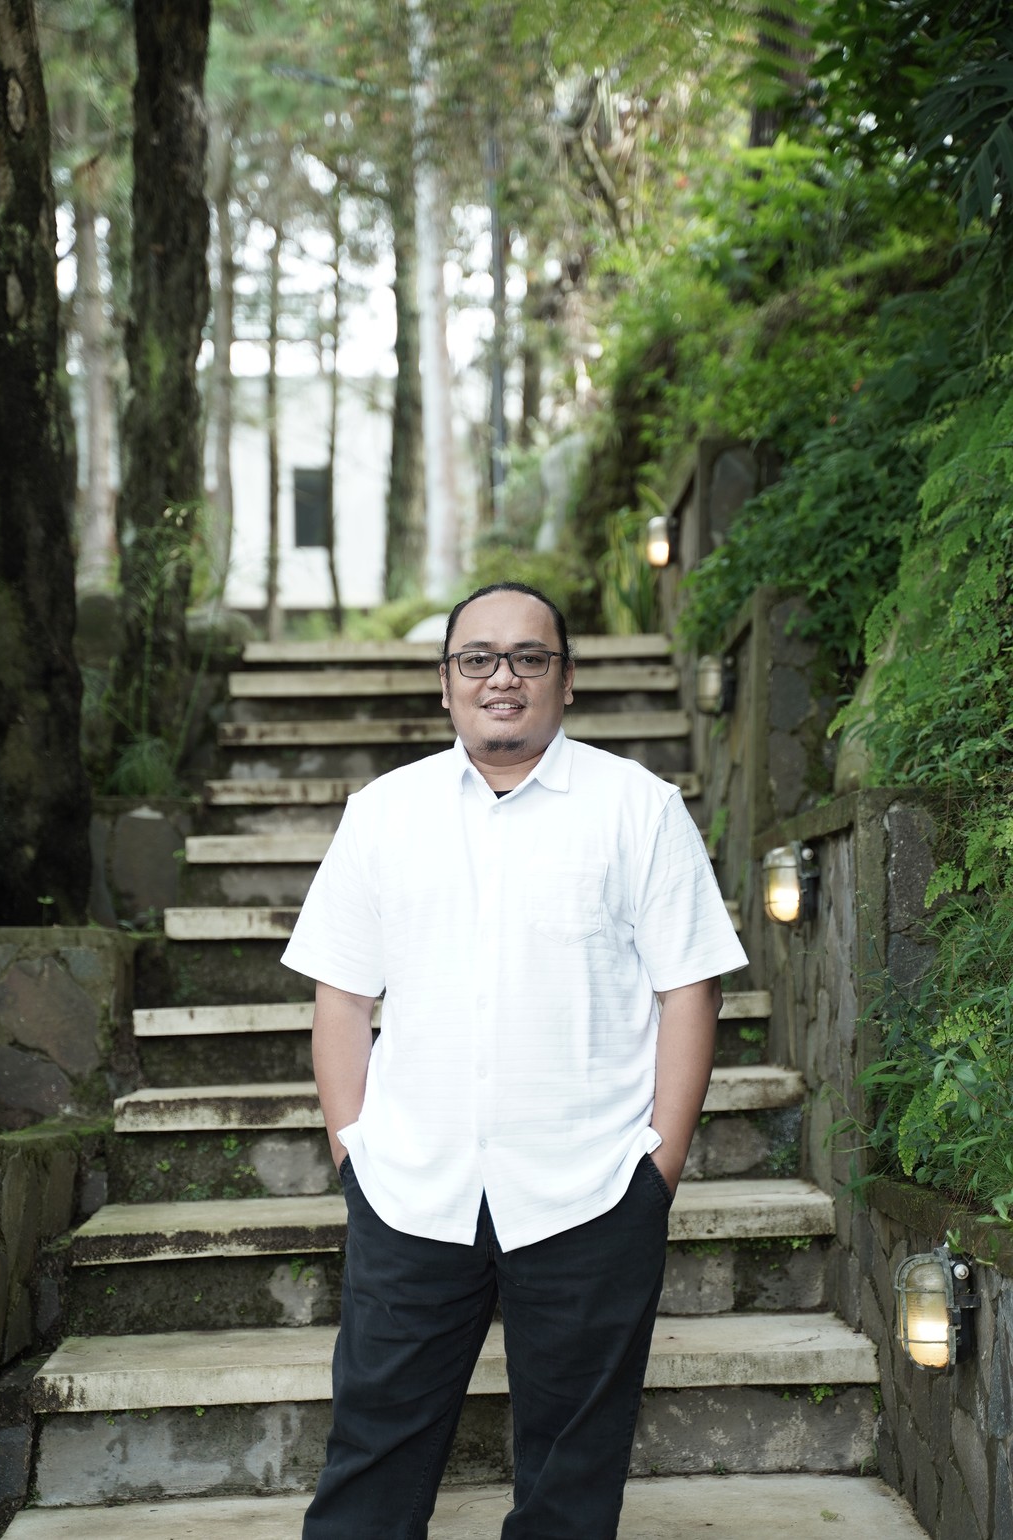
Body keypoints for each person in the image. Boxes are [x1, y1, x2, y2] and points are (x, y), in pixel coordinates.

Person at [281, 581, 747, 1540]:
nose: (504, 677)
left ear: (566, 681)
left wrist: (656, 1171)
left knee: (571, 1491)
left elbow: (689, 992)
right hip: (412, 1192)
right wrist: (354, 1156)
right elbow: (341, 996)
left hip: (590, 1195)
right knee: (368, 1469)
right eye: (478, 659)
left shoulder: (641, 809)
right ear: (446, 683)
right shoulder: (384, 814)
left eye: (530, 659)